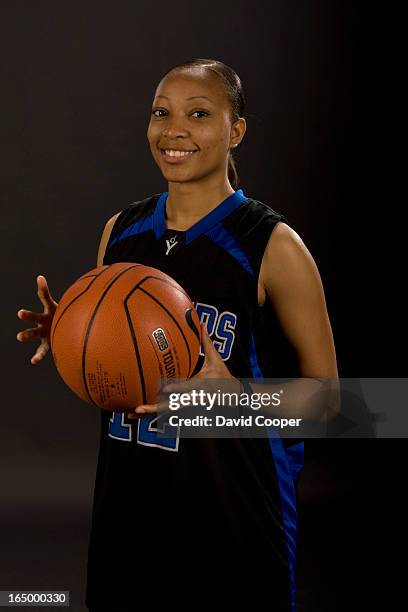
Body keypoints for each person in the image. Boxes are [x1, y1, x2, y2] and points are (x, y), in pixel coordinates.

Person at [16, 58, 338, 611]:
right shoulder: (121, 232)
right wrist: (73, 333)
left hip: (236, 522)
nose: (175, 129)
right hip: (128, 517)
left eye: (199, 113)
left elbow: (342, 406)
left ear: (235, 130)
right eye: (161, 112)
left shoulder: (272, 245)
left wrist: (238, 401)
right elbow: (115, 369)